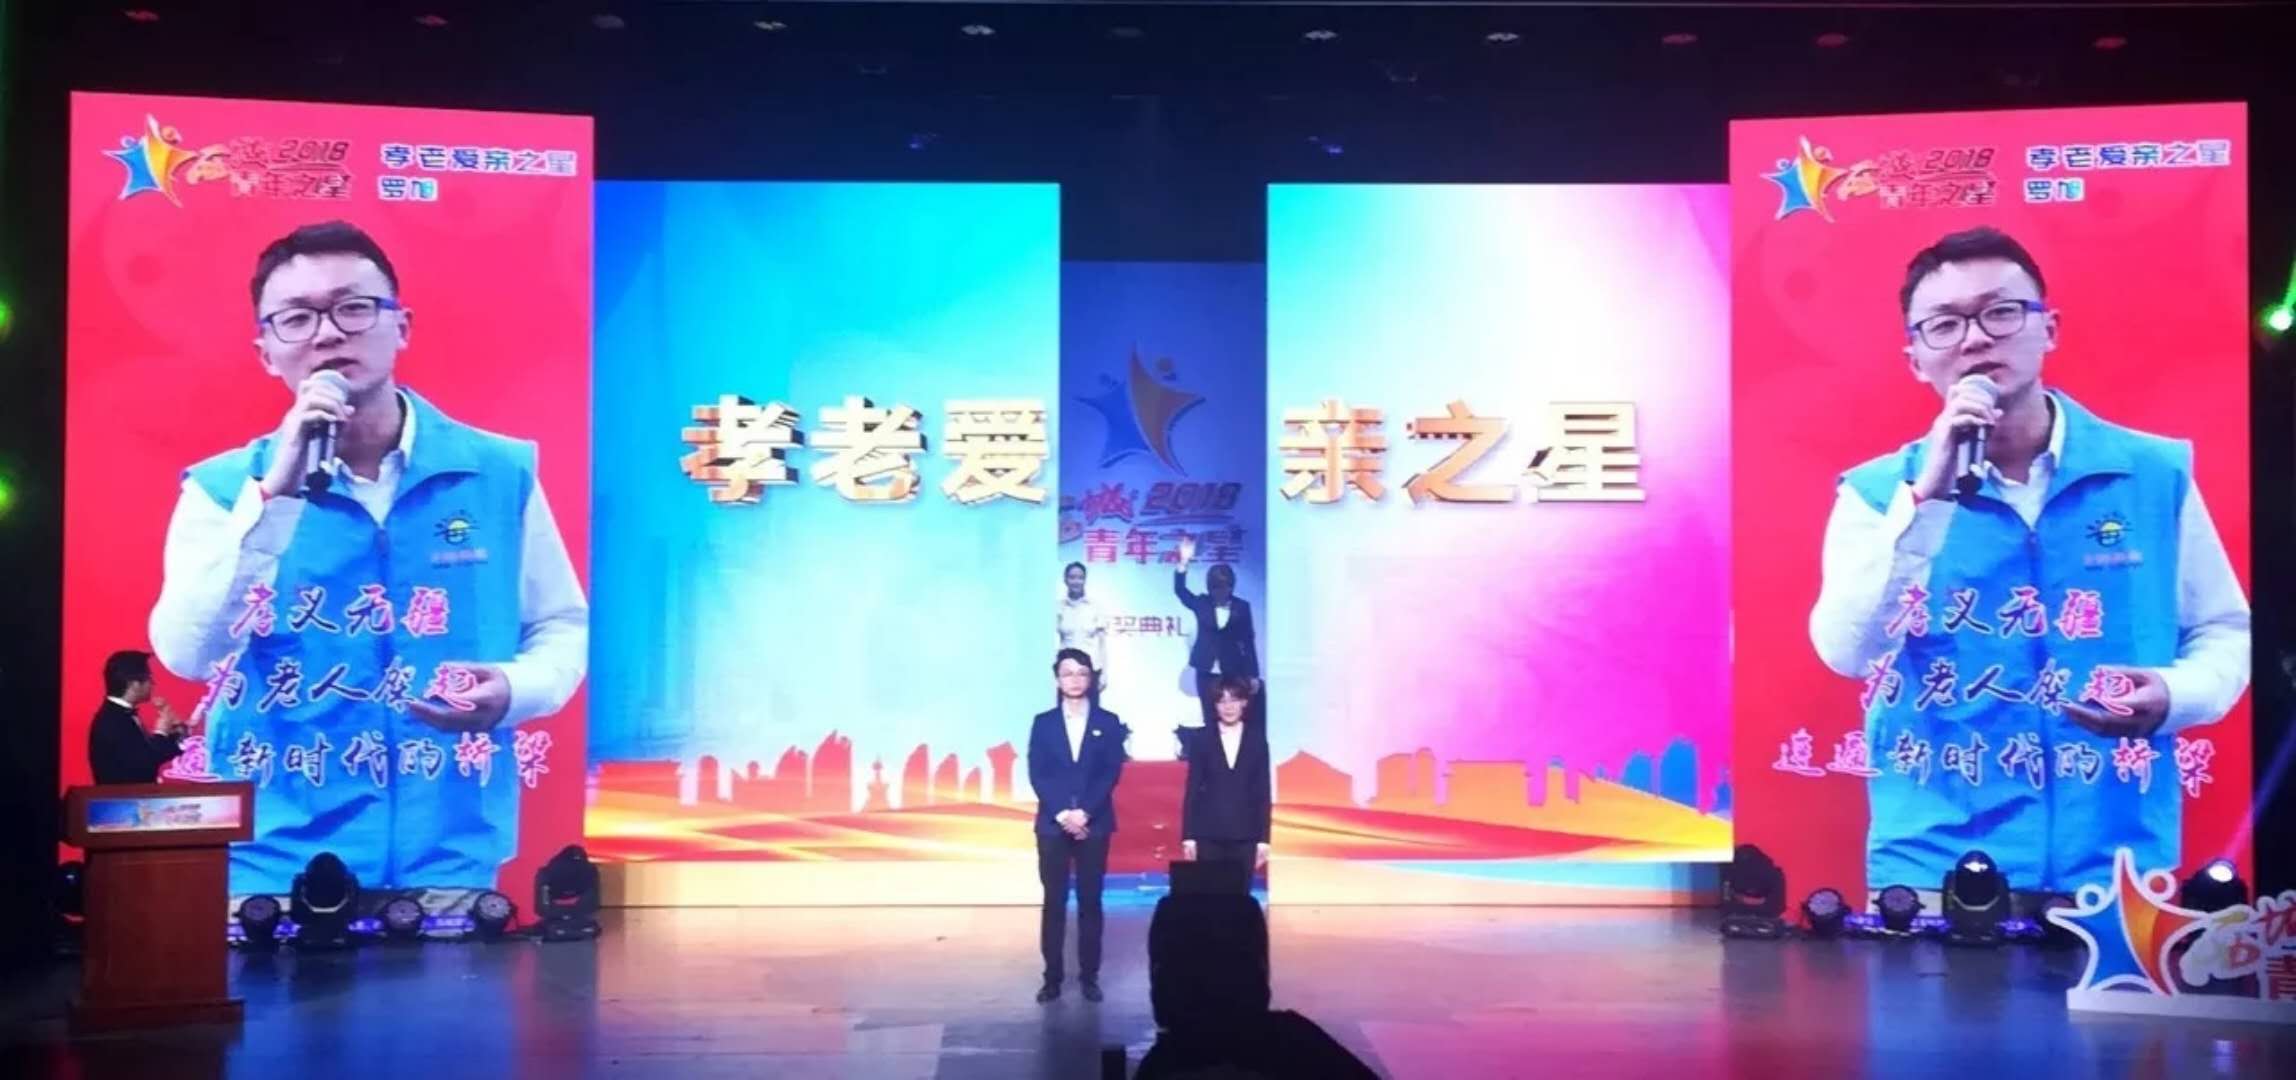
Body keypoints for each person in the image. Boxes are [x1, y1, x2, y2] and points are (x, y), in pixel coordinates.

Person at [147, 220, 589, 899]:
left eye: (353, 307)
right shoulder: (223, 489)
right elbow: (190, 654)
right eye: (297, 318)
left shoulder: (498, 471)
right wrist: (276, 495)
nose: (328, 334)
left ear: (401, 326)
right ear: (266, 352)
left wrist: (514, 688)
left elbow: (561, 623)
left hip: (450, 863)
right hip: (272, 867)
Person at [1810, 226, 2250, 905]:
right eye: (1944, 324)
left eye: (2001, 312)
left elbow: (2225, 629)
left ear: (2049, 329)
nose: (1975, 339)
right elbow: (1849, 651)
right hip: (1934, 868)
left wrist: (2174, 693)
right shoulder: (1877, 494)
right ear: (1915, 359)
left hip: (2117, 866)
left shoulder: (2152, 472)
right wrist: (1926, 498)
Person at [1026, 648, 1128, 1003]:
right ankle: (1052, 978)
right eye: (1067, 673)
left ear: (1090, 679)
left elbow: (1110, 771)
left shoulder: (1108, 721)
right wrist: (1062, 814)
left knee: (1090, 901)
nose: (1074, 680)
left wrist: (1085, 812)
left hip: (1094, 823)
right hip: (1052, 826)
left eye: (1081, 673)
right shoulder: (1043, 722)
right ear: (1057, 679)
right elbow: (1037, 772)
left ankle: (1089, 976)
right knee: (1054, 901)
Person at [1181, 676, 1271, 877]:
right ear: (1215, 705)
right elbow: (1192, 789)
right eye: (1222, 701)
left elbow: (1263, 791)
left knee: (1239, 893)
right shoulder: (1202, 739)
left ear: (1244, 703)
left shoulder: (1257, 741)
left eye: (1234, 700)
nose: (1228, 707)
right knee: (1211, 893)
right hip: (1208, 835)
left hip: (1246, 835)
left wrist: (1264, 839)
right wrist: (1188, 836)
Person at [1174, 535, 1259, 737]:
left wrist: (1253, 674)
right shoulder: (1202, 603)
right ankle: (1212, 753)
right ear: (1209, 588)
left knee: (1232, 717)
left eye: (1224, 587)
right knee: (1209, 716)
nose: (1220, 592)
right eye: (1216, 588)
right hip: (1206, 668)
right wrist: (1183, 562)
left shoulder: (1241, 607)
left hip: (1233, 669)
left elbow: (1248, 641)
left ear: (1231, 586)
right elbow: (1180, 590)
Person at [87, 650, 187, 784]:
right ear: (134, 684)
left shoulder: (120, 715)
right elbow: (144, 763)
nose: (152, 684)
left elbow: (152, 752)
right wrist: (161, 732)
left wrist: (179, 733)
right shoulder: (111, 721)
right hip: (122, 796)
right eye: (149, 678)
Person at [1057, 561, 1109, 704]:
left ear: (1085, 580)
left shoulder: (1094, 607)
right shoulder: (1058, 607)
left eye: (1080, 577)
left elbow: (1102, 644)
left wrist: (1104, 673)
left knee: (1091, 713)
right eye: (1072, 577)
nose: (1076, 581)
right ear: (1065, 580)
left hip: (1090, 669)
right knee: (1064, 713)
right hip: (1066, 671)